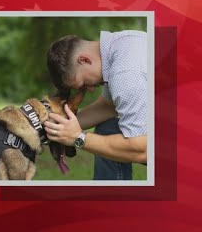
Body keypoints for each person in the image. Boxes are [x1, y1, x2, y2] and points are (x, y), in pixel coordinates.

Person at [45, 30, 147, 180]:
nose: (91, 89)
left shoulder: (125, 74)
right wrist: (57, 126)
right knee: (108, 128)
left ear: (84, 60)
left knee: (110, 135)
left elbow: (143, 149)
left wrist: (78, 137)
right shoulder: (120, 48)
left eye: (84, 83)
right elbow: (108, 107)